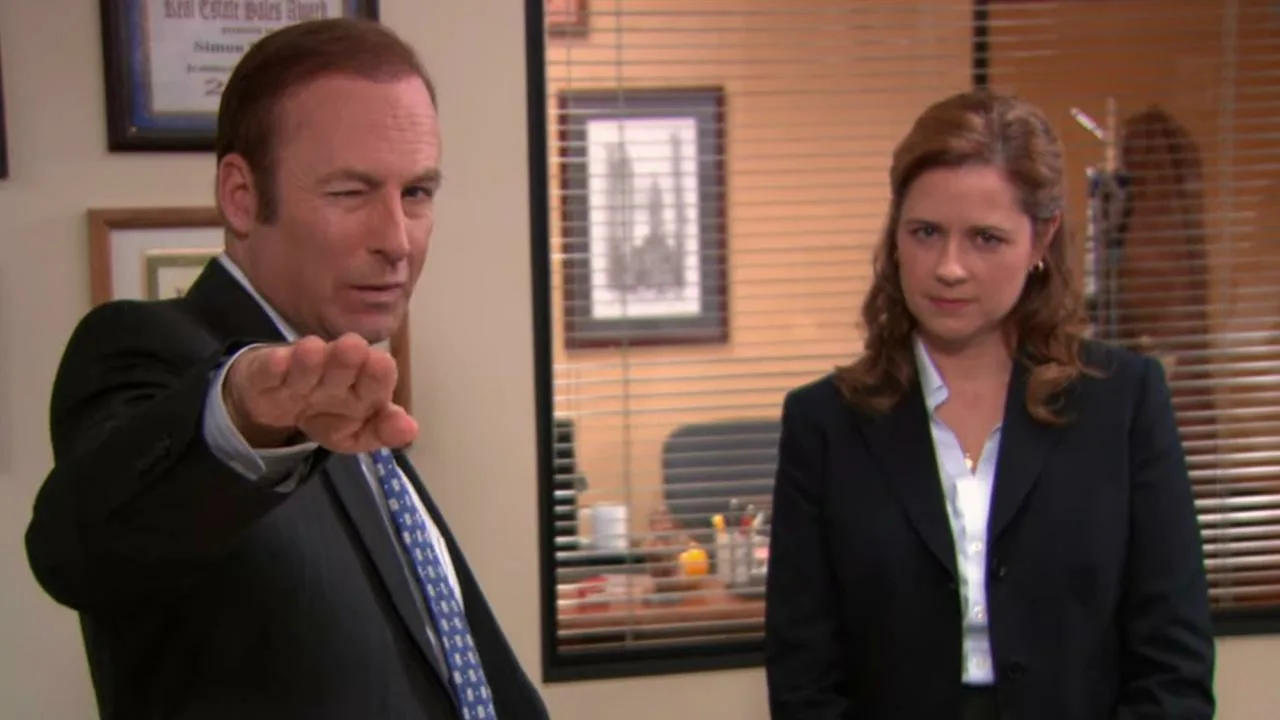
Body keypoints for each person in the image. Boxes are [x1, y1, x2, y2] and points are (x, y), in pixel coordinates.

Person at [25, 18, 549, 720]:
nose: (397, 240)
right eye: (350, 192)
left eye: (417, 194)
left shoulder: (353, 398)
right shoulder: (150, 354)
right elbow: (79, 551)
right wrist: (241, 418)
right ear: (241, 197)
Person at [763, 89, 1215, 720]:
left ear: (1041, 239)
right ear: (896, 236)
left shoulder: (1125, 402)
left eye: (986, 238)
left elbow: (1174, 661)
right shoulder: (826, 424)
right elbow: (803, 678)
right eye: (926, 232)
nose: (949, 267)